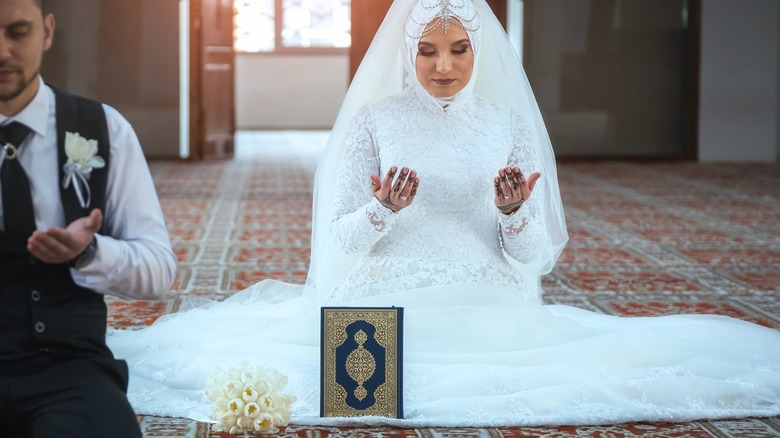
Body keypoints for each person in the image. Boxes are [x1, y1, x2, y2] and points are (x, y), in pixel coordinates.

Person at [108, 0, 780, 428]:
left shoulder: (507, 124)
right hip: (380, 302)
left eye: (457, 49)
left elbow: (535, 254)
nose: (443, 65)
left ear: (478, 51)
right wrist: (379, 210)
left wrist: (514, 212)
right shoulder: (374, 121)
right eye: (428, 50)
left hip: (489, 305)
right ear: (408, 53)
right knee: (349, 385)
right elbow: (340, 240)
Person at [0, 0, 177, 436]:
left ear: (47, 32)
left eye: (17, 32)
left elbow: (158, 272)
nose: (1, 51)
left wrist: (91, 252)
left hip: (66, 367)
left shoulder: (105, 129)